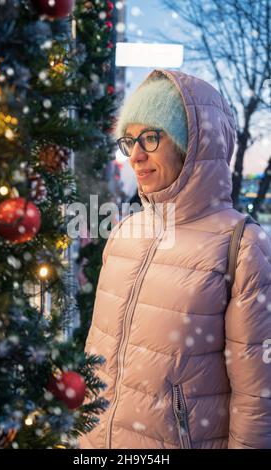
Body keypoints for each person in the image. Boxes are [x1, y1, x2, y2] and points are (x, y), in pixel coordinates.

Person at [78, 69, 271, 449]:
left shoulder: (242, 246)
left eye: (151, 137)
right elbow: (96, 360)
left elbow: (257, 401)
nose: (135, 155)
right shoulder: (123, 235)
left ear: (192, 145)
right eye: (129, 140)